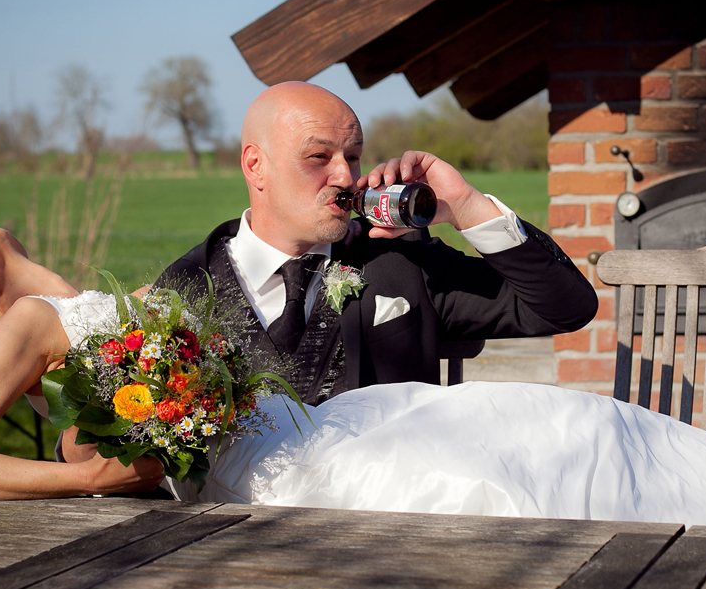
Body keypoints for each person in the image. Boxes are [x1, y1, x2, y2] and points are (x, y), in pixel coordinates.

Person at [0, 234, 706, 535]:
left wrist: (130, 444)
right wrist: (86, 483)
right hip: (294, 474)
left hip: (324, 420)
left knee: (579, 421)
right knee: (551, 471)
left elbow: (107, 436)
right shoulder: (31, 328)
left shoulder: (88, 308)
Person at [151, 82, 599, 407]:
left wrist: (465, 205)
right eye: (318, 157)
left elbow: (564, 308)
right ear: (255, 166)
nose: (345, 176)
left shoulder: (401, 260)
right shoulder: (184, 287)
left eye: (352, 155)